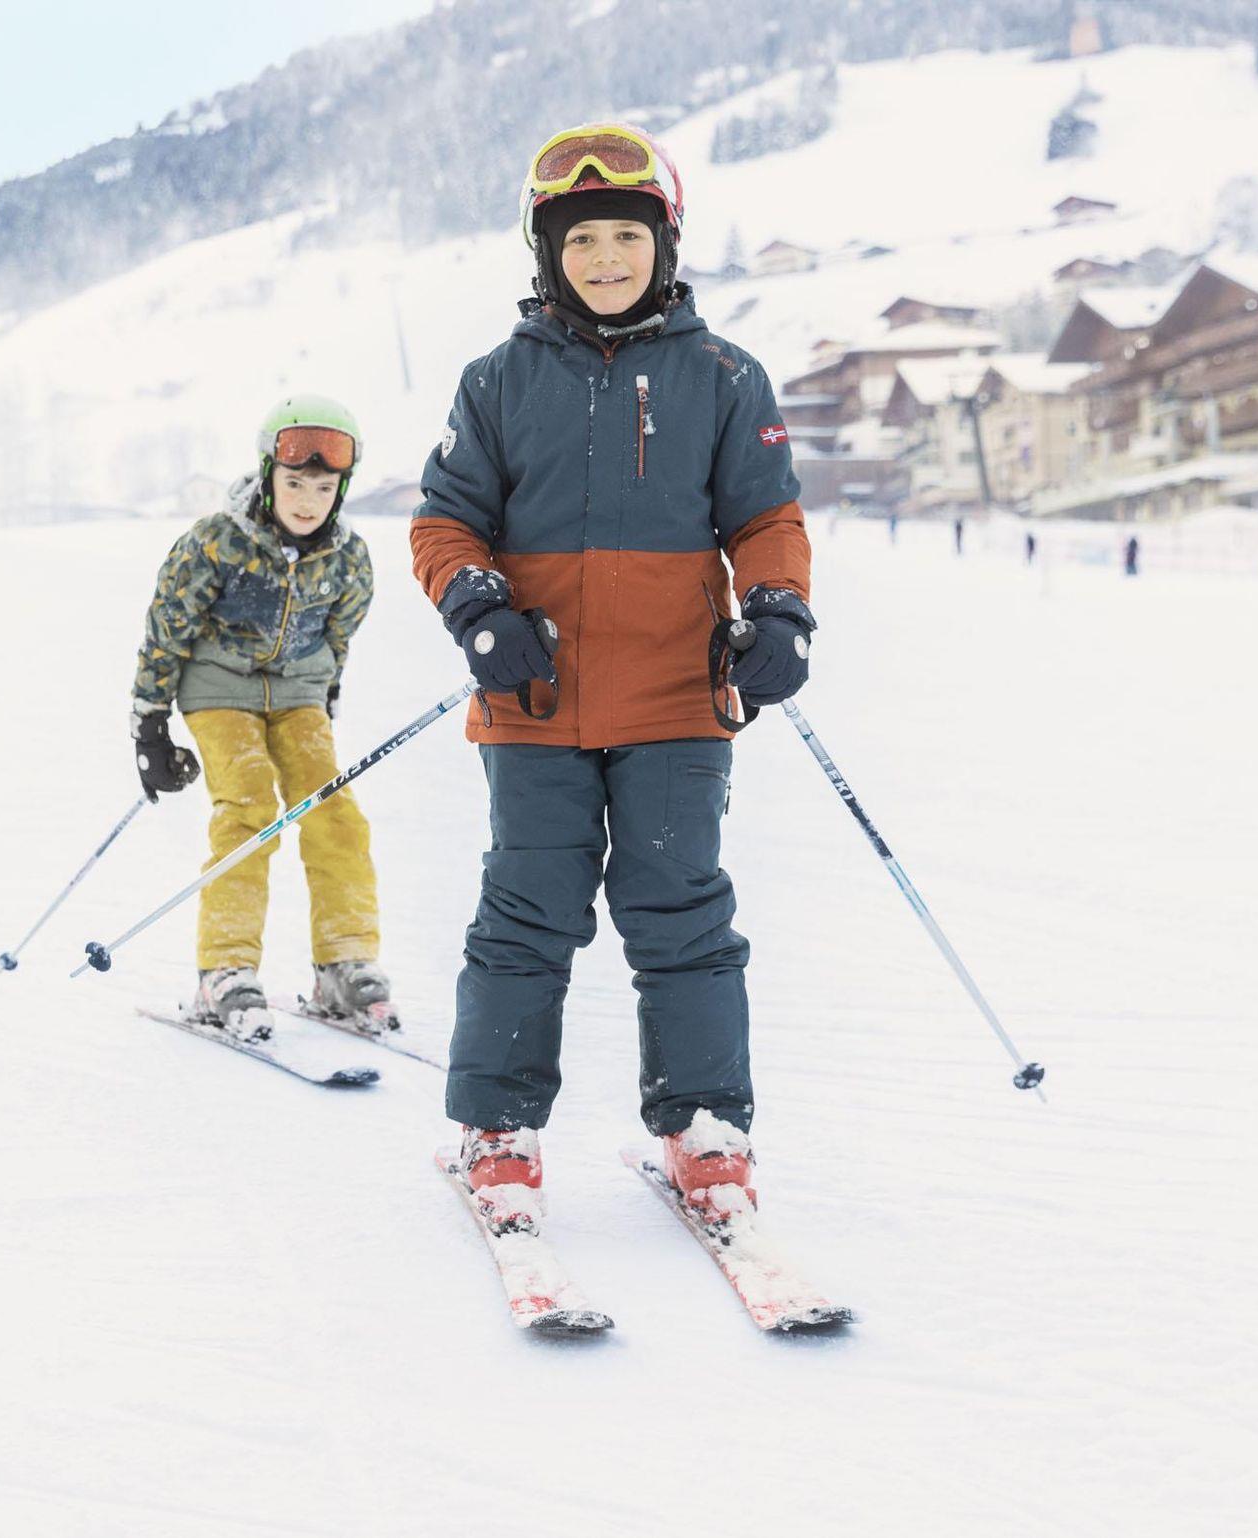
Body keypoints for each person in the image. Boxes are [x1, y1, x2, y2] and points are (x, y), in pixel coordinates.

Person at [412, 123, 813, 1233]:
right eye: (580, 238)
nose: (603, 258)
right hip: (533, 702)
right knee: (524, 916)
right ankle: (497, 1130)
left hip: (678, 702)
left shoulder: (724, 376)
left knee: (681, 914)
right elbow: (446, 522)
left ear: (662, 245)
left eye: (624, 237)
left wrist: (779, 611)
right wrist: (479, 610)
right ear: (547, 253)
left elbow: (766, 519)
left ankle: (703, 1128)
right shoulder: (496, 381)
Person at [130, 395, 397, 1043]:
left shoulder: (348, 558)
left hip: (298, 694)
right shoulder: (215, 543)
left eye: (324, 488)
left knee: (334, 809)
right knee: (248, 806)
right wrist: (150, 724)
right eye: (295, 483)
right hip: (218, 688)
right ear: (268, 476)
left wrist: (325, 696)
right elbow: (168, 627)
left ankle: (344, 963)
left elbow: (339, 634)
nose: (308, 501)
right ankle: (224, 970)